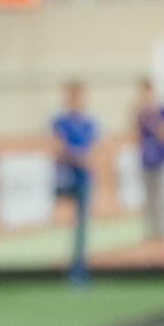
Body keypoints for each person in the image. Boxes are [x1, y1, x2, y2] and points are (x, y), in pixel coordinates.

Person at [52, 80, 99, 286]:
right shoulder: (59, 122)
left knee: (81, 227)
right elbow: (57, 149)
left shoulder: (89, 124)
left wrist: (74, 156)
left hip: (83, 180)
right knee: (62, 223)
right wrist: (76, 157)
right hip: (63, 179)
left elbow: (92, 154)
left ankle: (78, 270)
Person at [134, 78, 164, 261]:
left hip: (162, 163)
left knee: (163, 204)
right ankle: (153, 247)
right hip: (147, 163)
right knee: (150, 205)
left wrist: (153, 119)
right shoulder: (140, 113)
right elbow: (136, 136)